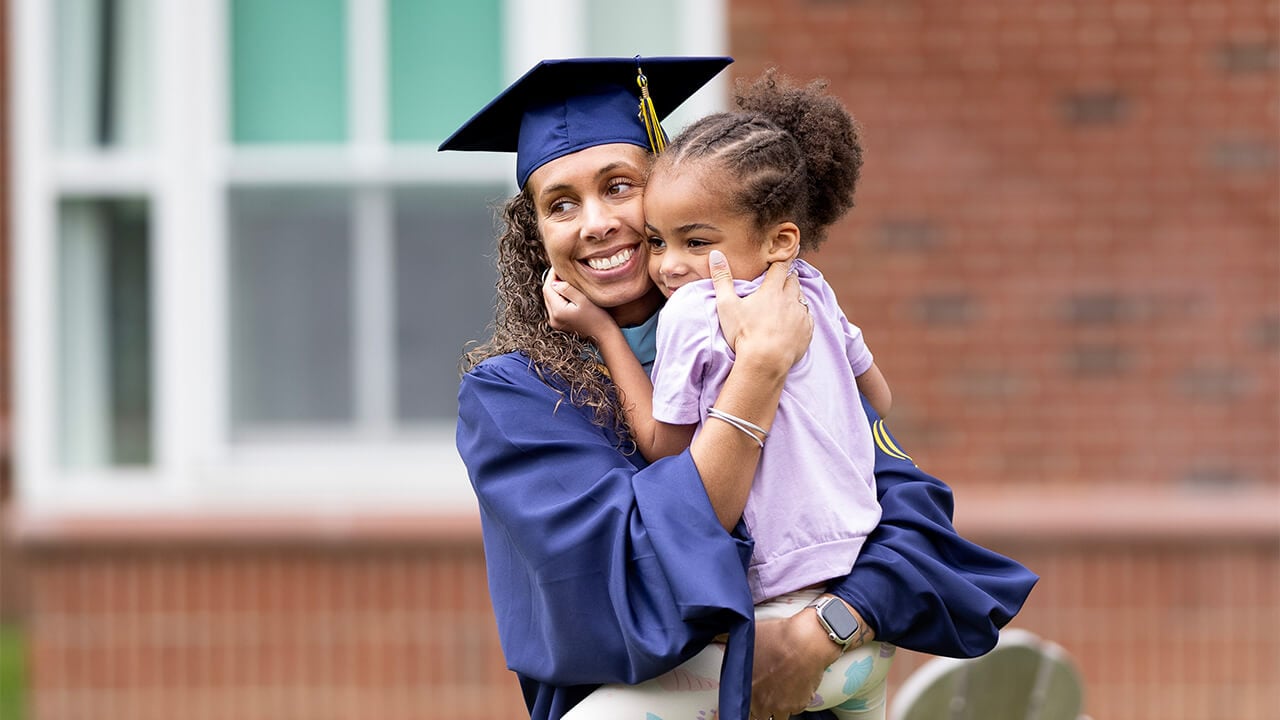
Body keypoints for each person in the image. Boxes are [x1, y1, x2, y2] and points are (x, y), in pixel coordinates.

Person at [441, 56, 1037, 720]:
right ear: (536, 233)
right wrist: (757, 376)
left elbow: (904, 507)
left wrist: (830, 625)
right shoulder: (515, 399)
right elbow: (632, 575)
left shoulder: (777, 323)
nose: (596, 223)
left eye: (619, 186)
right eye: (560, 204)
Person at [543, 69, 903, 718]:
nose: (670, 263)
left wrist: (602, 333)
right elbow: (878, 399)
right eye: (660, 241)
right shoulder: (810, 289)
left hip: (780, 616)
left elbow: (661, 448)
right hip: (861, 611)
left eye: (620, 188)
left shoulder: (688, 314)